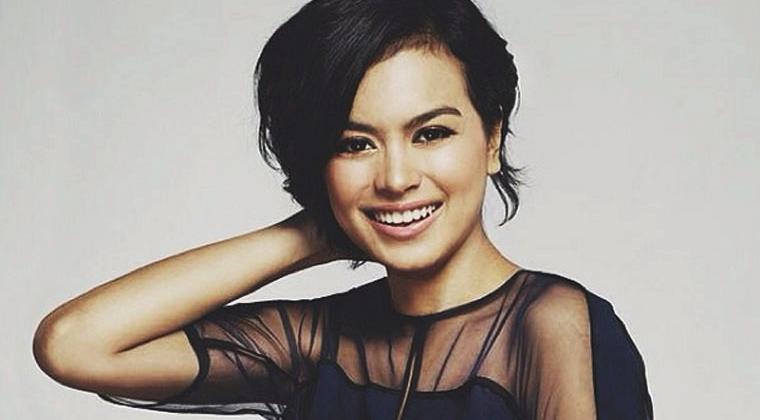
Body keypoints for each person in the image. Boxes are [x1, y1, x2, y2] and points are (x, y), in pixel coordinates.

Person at [33, 0, 654, 419]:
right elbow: (76, 345)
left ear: (491, 138)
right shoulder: (315, 344)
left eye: (431, 133)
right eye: (354, 144)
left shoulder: (550, 326)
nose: (396, 178)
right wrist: (314, 232)